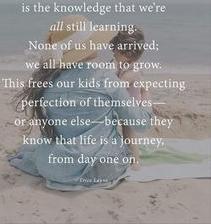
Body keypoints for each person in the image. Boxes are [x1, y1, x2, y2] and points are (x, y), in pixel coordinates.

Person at [8, 15, 152, 191]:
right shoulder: (103, 78)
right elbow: (142, 123)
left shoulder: (47, 79)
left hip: (53, 167)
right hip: (100, 169)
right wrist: (145, 93)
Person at [110, 27, 147, 171]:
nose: (113, 52)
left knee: (129, 136)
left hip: (130, 109)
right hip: (123, 105)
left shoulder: (132, 72)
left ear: (128, 53)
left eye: (116, 50)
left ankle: (135, 161)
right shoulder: (122, 64)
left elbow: (118, 85)